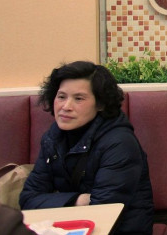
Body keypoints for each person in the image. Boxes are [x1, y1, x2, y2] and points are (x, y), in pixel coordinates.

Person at [19, 61, 154, 235]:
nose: (66, 106)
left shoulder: (119, 143)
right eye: (61, 97)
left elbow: (102, 210)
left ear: (101, 104)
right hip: (70, 227)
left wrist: (60, 201)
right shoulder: (52, 138)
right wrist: (79, 200)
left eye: (79, 98)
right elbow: (28, 199)